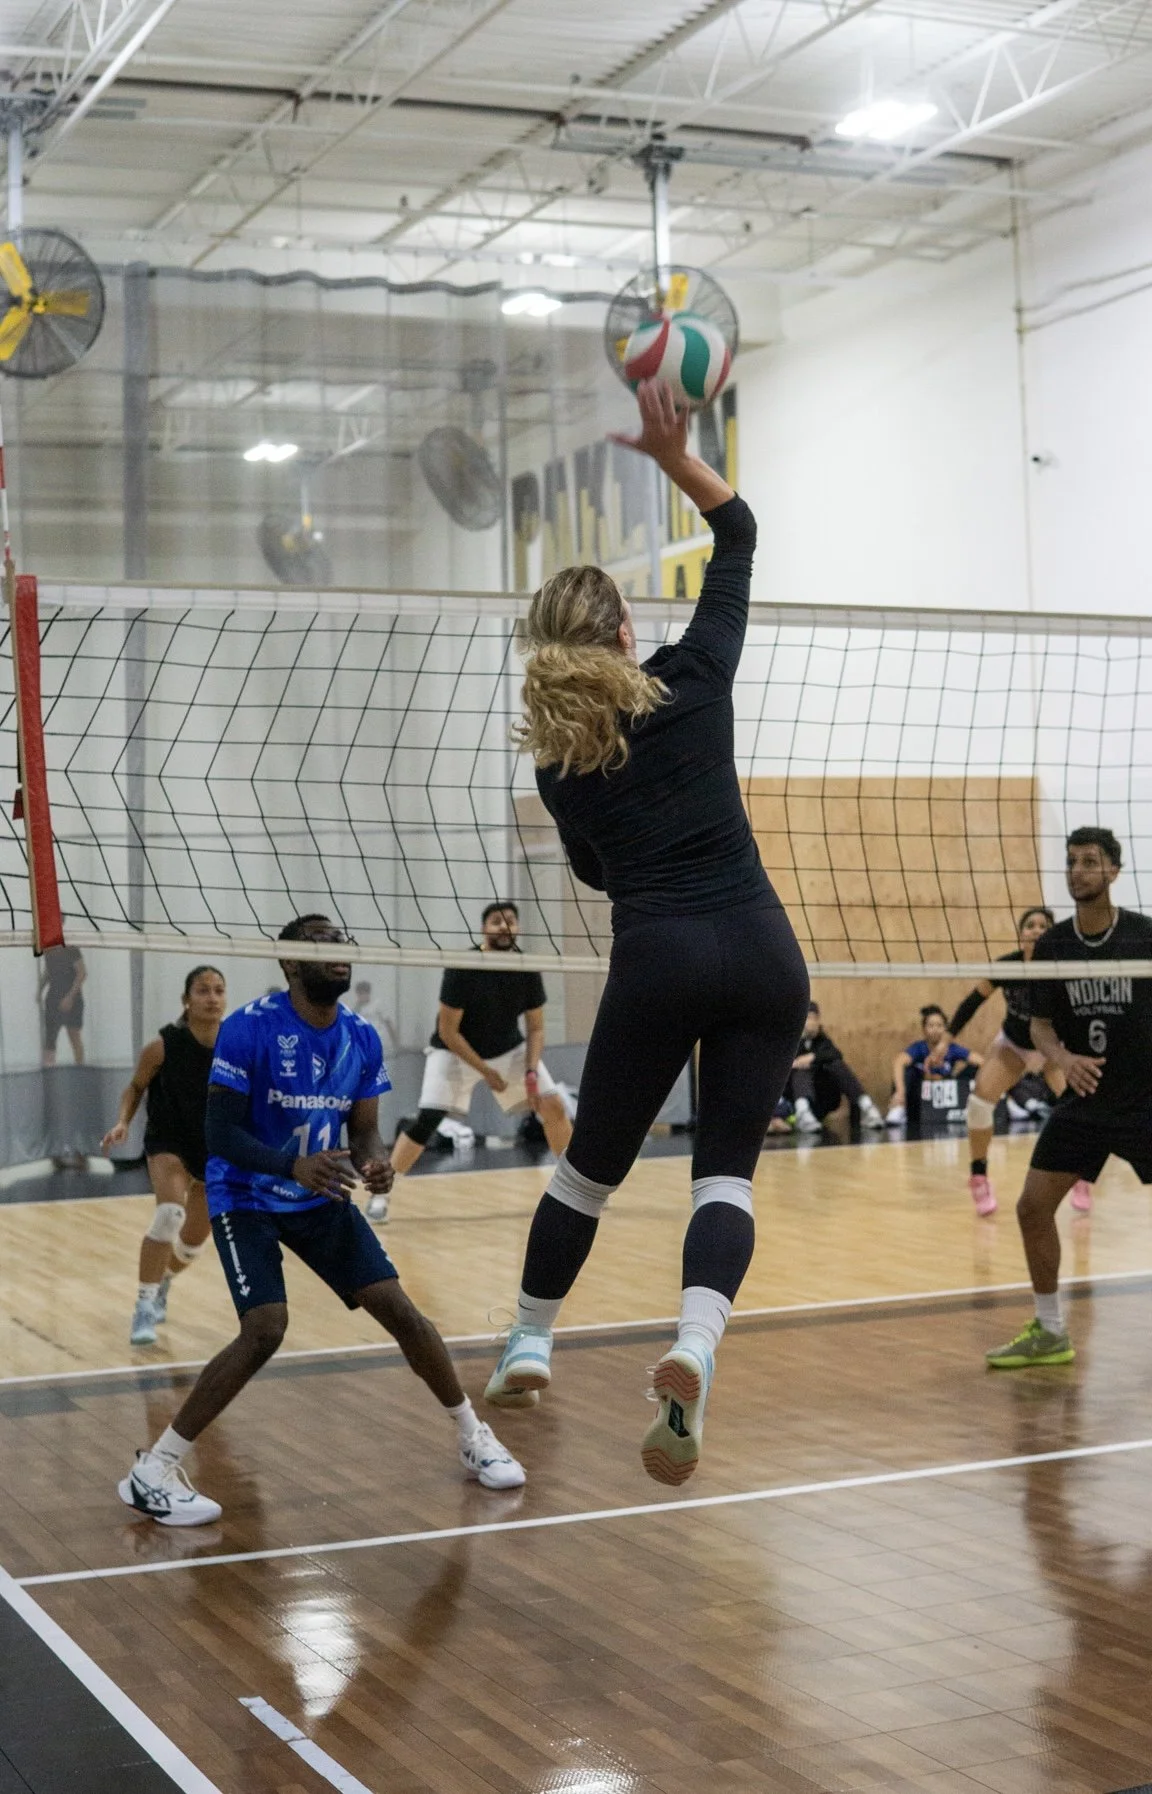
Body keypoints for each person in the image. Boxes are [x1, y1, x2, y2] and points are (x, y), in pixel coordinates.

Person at [484, 378, 810, 1487]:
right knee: (725, 1181)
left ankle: (531, 1339)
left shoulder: (560, 765)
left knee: (585, 1180)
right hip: (766, 952)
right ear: (627, 630)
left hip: (661, 954)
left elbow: (593, 871)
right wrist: (676, 454)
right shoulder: (697, 679)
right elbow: (739, 532)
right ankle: (693, 1346)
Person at [117, 914, 523, 1526]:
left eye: (343, 944)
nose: (339, 954)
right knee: (266, 1328)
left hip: (318, 1192)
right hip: (247, 1193)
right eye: (323, 946)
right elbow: (219, 1133)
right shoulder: (248, 1030)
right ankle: (153, 1471)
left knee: (401, 1310)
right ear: (290, 963)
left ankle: (473, 1435)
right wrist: (289, 1165)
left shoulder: (359, 1037)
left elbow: (363, 1130)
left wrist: (378, 1162)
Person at [987, 827, 1152, 1368]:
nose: (1078, 870)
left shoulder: (1143, 937)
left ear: (1113, 871)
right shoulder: (1055, 944)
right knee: (1033, 1208)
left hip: (1144, 1101)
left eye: (1090, 861)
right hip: (1085, 1103)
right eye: (1072, 861)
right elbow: (1038, 1027)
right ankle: (1051, 1329)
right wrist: (1062, 1060)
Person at [373, 902, 572, 1220]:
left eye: (510, 921)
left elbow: (536, 1028)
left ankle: (572, 1191)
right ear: (484, 929)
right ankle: (381, 1195)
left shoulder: (526, 966)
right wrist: (485, 1071)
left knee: (554, 1106)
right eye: (496, 922)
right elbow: (448, 1031)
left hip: (508, 1050)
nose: (504, 927)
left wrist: (532, 1069)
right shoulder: (464, 966)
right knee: (427, 1120)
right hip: (454, 1052)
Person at [102, 966, 228, 1346]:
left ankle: (164, 1281)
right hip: (167, 1142)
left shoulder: (235, 1045)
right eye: (203, 991)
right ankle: (143, 1306)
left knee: (190, 1247)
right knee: (169, 1215)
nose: (212, 998)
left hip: (213, 1148)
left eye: (219, 990)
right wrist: (123, 1121)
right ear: (186, 1000)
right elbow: (136, 1086)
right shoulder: (163, 1044)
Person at [948, 907, 1093, 1218]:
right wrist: (947, 1038)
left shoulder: (1066, 969)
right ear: (1021, 933)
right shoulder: (1007, 967)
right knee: (979, 1103)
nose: (1037, 930)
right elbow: (973, 1002)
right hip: (1014, 1045)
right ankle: (979, 1176)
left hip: (1055, 1049)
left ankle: (1082, 1175)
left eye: (1044, 925)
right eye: (1030, 925)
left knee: (1080, 1107)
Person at [786, 1002, 885, 1133]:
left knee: (836, 1064)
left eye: (812, 1018)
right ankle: (803, 1113)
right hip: (797, 1098)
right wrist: (802, 1048)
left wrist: (813, 1057)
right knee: (802, 1068)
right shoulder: (793, 1040)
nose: (809, 1022)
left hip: (824, 1097)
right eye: (806, 1018)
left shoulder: (822, 1040)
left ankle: (866, 1106)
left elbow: (836, 1054)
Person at [886, 1005, 981, 1125]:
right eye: (931, 1026)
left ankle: (1001, 1103)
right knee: (907, 1070)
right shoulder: (919, 1048)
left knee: (977, 1069)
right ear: (924, 1029)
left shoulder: (952, 1049)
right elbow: (899, 1061)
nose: (935, 1029)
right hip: (921, 1099)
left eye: (939, 1026)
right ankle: (899, 1108)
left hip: (946, 1095)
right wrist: (900, 1092)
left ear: (946, 1030)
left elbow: (981, 1061)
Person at [39, 944, 86, 1066]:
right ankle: (49, 1074)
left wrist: (70, 997)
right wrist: (40, 990)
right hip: (53, 998)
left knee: (74, 1036)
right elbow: (48, 970)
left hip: (72, 998)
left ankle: (79, 1071)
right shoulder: (48, 948)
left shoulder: (71, 948)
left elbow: (81, 973)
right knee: (50, 1037)